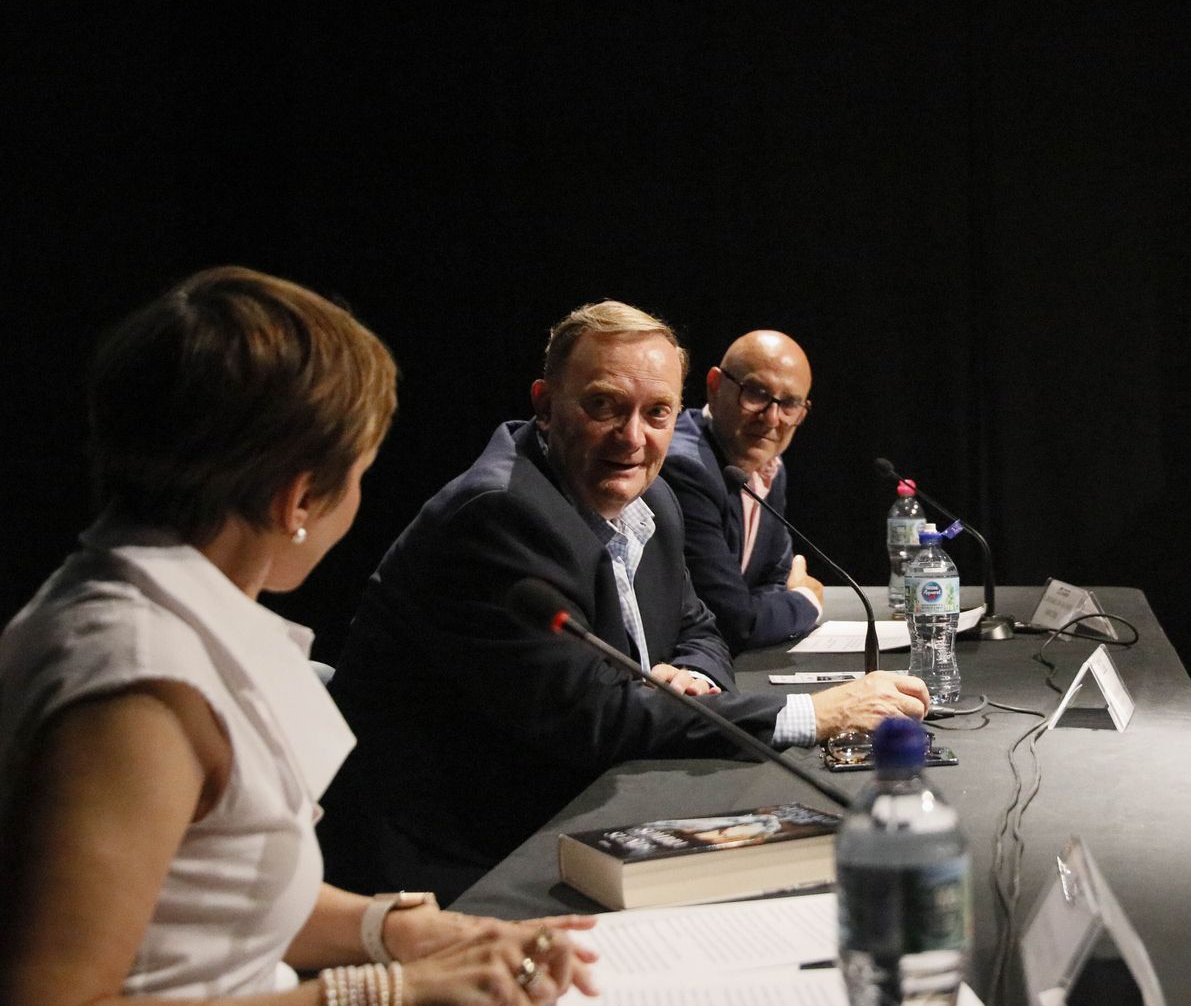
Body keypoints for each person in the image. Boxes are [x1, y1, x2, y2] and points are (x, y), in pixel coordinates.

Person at [0, 268, 597, 1006]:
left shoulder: (164, 612)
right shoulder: (137, 685)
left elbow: (217, 896)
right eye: (359, 476)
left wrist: (403, 931)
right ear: (299, 499)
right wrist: (380, 992)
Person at [325, 301, 928, 898]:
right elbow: (592, 715)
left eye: (657, 412)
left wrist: (690, 677)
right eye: (604, 406)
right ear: (545, 405)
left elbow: (701, 628)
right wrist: (811, 715)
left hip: (571, 801)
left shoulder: (652, 498)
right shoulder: (501, 516)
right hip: (459, 859)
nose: (633, 438)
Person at [659, 330, 825, 651]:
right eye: (757, 393)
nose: (772, 418)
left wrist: (757, 605)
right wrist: (806, 601)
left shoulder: (770, 465)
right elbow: (733, 621)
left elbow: (776, 578)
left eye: (789, 403)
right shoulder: (685, 466)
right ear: (715, 386)